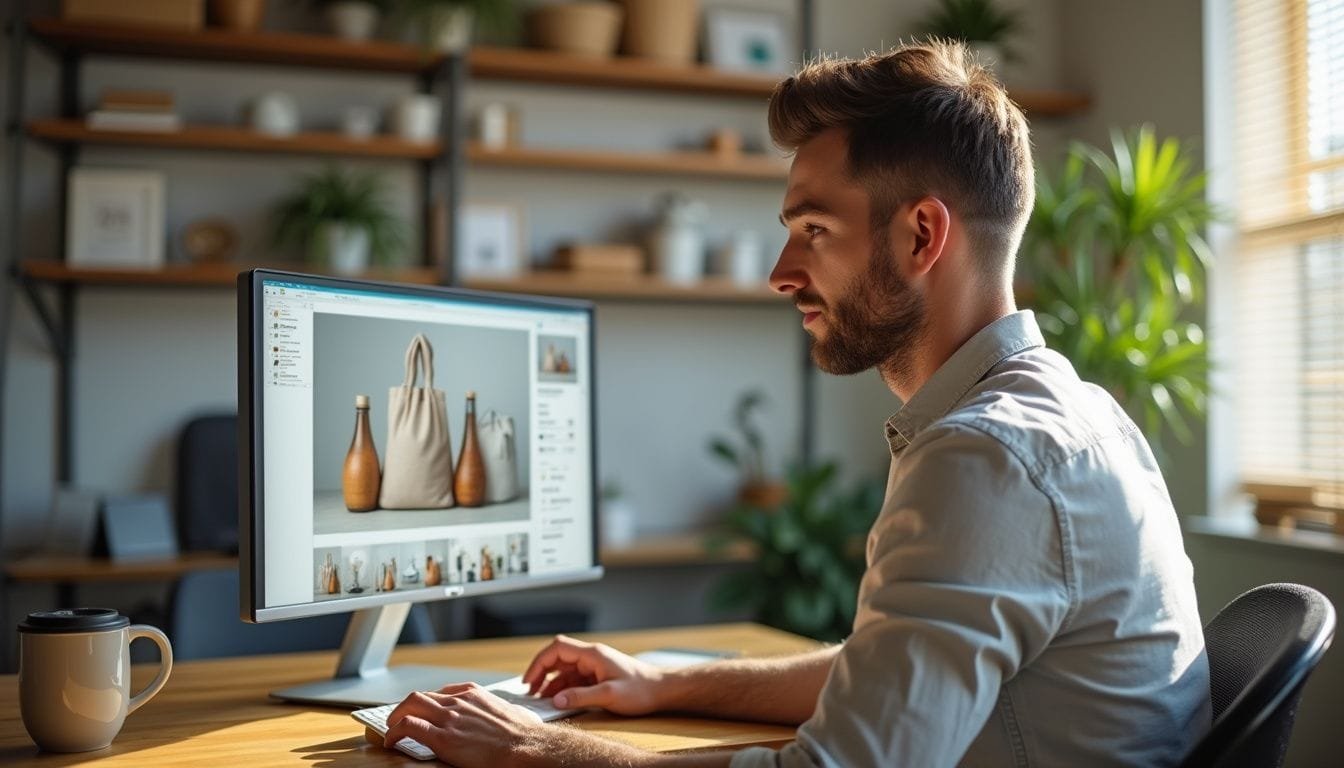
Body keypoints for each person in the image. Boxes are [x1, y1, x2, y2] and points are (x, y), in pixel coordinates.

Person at [379, 40, 1211, 767]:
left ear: (922, 236)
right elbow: (893, 673)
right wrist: (662, 684)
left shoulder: (985, 459)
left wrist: (539, 751)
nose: (780, 273)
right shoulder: (1080, 415)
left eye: (813, 230)